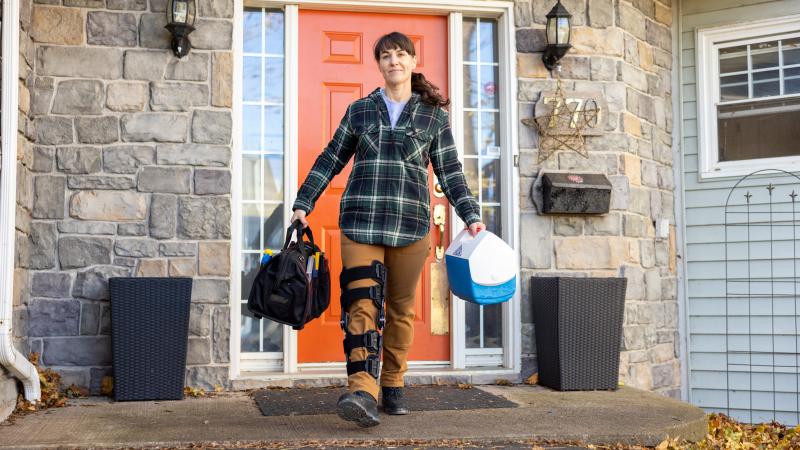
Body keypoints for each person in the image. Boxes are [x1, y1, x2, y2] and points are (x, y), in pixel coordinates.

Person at [290, 31, 485, 427]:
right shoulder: (360, 111)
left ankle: (393, 383)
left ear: (413, 62)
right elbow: (330, 158)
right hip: (360, 222)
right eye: (385, 55)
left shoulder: (433, 117)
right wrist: (302, 203)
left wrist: (470, 214)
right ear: (378, 64)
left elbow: (450, 172)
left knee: (400, 309)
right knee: (360, 303)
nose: (393, 61)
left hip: (411, 227)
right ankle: (362, 388)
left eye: (400, 54)